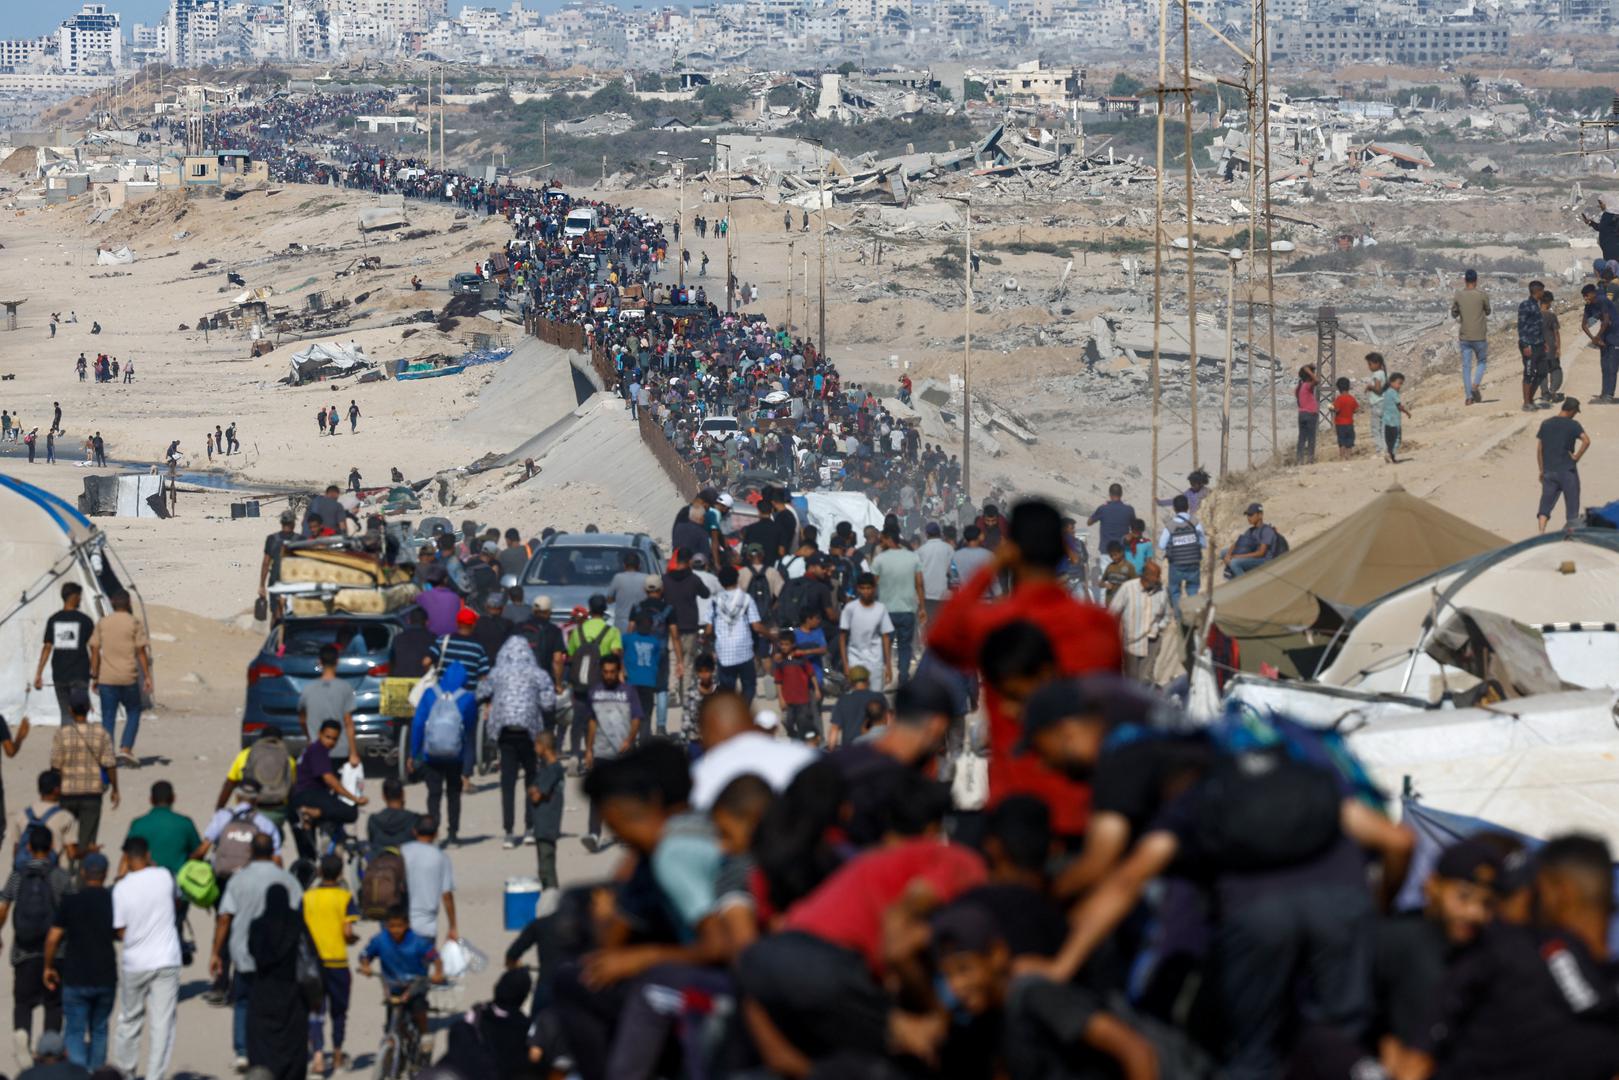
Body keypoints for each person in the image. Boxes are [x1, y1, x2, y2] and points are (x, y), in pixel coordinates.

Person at [212, 833, 303, 1072]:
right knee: (278, 1005)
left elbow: (224, 918)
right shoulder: (287, 880)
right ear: (273, 850)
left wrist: (215, 952)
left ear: (250, 851)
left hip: (244, 952)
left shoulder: (238, 880)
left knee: (242, 1001)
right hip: (280, 957)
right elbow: (299, 916)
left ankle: (242, 1052)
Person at [0, 825, 72, 1066]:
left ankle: (22, 1035)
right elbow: (71, 914)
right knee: (53, 1004)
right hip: (56, 953)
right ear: (52, 848)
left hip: (23, 950)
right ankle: (49, 1054)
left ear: (28, 847)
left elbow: (2, 908)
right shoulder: (60, 876)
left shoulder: (17, 875)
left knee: (23, 1001)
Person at [109, 836, 180, 1080]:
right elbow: (176, 899)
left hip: (135, 962)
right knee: (162, 1024)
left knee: (130, 1019)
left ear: (126, 859)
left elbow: (119, 930)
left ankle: (126, 1072)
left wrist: (121, 875)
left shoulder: (121, 888)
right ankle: (154, 1076)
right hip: (166, 958)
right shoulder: (164, 876)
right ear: (148, 855)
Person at [42, 849, 113, 1072]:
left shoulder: (70, 902)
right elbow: (122, 932)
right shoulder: (112, 899)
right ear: (105, 874)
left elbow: (53, 938)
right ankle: (96, 1073)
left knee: (74, 1030)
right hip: (105, 975)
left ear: (82, 872)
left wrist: (47, 966)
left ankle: (76, 1076)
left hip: (75, 975)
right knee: (99, 1029)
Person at [485, 637, 554, 849]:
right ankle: (530, 829)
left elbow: (481, 692)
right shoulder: (538, 674)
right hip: (529, 732)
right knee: (531, 780)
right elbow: (549, 703)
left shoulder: (497, 673)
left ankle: (508, 832)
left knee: (507, 783)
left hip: (505, 733)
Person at [358, 907, 445, 1059]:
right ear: (386, 926)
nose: (395, 930)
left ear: (407, 925)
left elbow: (435, 957)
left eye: (399, 926)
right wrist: (366, 965)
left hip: (415, 985)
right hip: (393, 986)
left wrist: (438, 973)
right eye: (391, 926)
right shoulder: (380, 940)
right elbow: (366, 954)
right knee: (392, 1019)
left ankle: (424, 1034)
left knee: (418, 1008)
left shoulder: (418, 942)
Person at [408, 661, 477, 845]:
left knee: (434, 794)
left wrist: (413, 753)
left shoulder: (430, 693)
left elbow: (418, 725)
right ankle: (453, 834)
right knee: (454, 794)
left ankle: (433, 833)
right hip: (456, 755)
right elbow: (470, 731)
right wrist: (469, 761)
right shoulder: (468, 697)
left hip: (432, 754)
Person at [580, 655, 643, 850]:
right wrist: (588, 750)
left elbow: (636, 718)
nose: (608, 675)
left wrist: (629, 740)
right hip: (600, 751)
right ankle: (593, 833)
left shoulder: (628, 692)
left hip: (623, 752)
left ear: (618, 672)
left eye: (612, 672)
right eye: (605, 672)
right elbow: (591, 721)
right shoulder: (594, 692)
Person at [303, 853, 358, 1075]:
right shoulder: (345, 897)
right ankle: (336, 1054)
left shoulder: (307, 897)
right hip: (337, 961)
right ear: (341, 873)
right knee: (339, 1011)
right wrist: (351, 939)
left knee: (315, 1010)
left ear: (319, 872)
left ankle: (317, 1055)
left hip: (313, 963)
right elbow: (347, 932)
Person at [246, 883, 307, 1079]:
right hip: (293, 994)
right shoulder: (297, 922)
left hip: (263, 993)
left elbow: (252, 951)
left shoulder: (257, 925)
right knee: (292, 1046)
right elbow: (310, 956)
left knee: (263, 1046)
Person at [48, 689, 117, 852]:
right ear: (89, 708)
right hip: (92, 794)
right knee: (88, 842)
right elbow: (110, 764)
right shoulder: (101, 733)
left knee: (67, 841)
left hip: (67, 793)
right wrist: (116, 789)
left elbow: (55, 767)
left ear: (70, 710)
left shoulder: (62, 734)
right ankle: (83, 875)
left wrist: (53, 791)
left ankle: (67, 872)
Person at [88, 591, 151, 764]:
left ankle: (107, 753)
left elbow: (94, 649)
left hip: (106, 678)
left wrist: (94, 675)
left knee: (108, 716)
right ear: (129, 603)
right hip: (128, 676)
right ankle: (126, 748)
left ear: (112, 602)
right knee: (133, 711)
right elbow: (141, 652)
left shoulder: (103, 623)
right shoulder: (133, 623)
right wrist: (147, 676)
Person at [34, 583, 94, 725]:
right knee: (80, 715)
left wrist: (39, 673)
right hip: (80, 674)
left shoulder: (54, 619)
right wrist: (96, 672)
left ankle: (66, 745)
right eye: (79, 596)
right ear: (74, 597)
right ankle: (79, 744)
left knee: (66, 714)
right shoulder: (85, 620)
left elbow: (47, 647)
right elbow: (94, 648)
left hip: (60, 675)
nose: (80, 599)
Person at [871, 528, 926, 680]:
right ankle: (903, 675)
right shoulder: (912, 557)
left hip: (886, 610)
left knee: (885, 644)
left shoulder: (879, 559)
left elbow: (872, 585)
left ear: (889, 540)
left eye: (882, 540)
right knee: (904, 645)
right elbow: (919, 584)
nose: (880, 544)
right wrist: (922, 608)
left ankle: (885, 672)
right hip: (907, 609)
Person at [296, 644, 359, 769]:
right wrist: (353, 753)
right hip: (340, 750)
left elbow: (302, 719)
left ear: (320, 662)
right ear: (337, 662)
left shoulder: (308, 689)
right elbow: (348, 723)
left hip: (317, 750)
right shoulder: (345, 687)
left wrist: (309, 737)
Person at [711, 566, 766, 703]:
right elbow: (756, 626)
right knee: (749, 686)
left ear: (720, 582)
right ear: (737, 579)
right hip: (744, 651)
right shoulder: (746, 599)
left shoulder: (714, 601)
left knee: (727, 688)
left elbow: (707, 628)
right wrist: (772, 636)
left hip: (724, 653)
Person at [1109, 561, 1169, 684]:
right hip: (1130, 643)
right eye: (1155, 576)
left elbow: (1167, 615)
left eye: (1159, 576)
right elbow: (1112, 612)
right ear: (1146, 576)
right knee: (1131, 681)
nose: (1158, 579)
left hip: (1151, 642)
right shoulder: (1128, 588)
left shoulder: (1162, 591)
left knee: (1145, 680)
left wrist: (1159, 627)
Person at [400, 816, 457, 944]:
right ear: (436, 834)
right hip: (426, 927)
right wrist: (453, 926)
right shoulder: (441, 857)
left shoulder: (402, 851)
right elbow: (446, 895)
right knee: (423, 963)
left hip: (398, 925)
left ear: (414, 831)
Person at [1537, 397, 1589, 533]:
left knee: (1546, 504)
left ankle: (1541, 532)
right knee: (1572, 507)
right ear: (1571, 411)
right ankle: (1570, 535)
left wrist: (1542, 470)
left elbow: (1539, 449)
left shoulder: (1546, 423)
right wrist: (1576, 457)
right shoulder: (1573, 425)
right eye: (1575, 412)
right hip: (1567, 471)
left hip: (1549, 470)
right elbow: (1586, 440)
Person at [839, 573, 894, 692]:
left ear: (874, 589)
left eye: (869, 588)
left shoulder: (881, 608)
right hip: (855, 658)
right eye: (862, 588)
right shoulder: (850, 608)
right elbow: (842, 637)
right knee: (856, 695)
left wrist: (888, 665)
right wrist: (845, 664)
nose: (866, 592)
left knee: (875, 694)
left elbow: (886, 637)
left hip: (875, 660)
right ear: (858, 589)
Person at [527, 734, 564, 890]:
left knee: (546, 869)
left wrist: (532, 791)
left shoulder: (552, 770)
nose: (535, 749)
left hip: (546, 825)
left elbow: (537, 795)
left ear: (544, 746)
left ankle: (552, 901)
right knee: (544, 866)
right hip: (544, 825)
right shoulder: (551, 769)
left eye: (536, 745)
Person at [1453, 267, 1491, 404]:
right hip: (1480, 335)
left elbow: (1454, 313)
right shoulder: (1482, 295)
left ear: (1465, 280)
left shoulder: (1458, 295)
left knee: (1466, 367)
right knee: (1482, 362)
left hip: (1465, 336)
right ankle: (1475, 385)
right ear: (1476, 280)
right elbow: (1488, 311)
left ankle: (1468, 397)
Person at [1581, 281, 1619, 404]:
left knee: (1612, 366)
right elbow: (1584, 325)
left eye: (1587, 296)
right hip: (1604, 337)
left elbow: (1606, 321)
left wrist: (1596, 337)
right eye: (1584, 297)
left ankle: (1609, 395)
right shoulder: (1589, 305)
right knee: (1604, 366)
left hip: (1615, 335)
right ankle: (1604, 393)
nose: (1585, 298)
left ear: (1593, 293)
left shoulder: (1602, 301)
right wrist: (1594, 338)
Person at [365, 778, 420, 855]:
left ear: (383, 796)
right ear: (403, 794)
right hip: (406, 863)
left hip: (380, 863)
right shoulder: (414, 819)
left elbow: (372, 843)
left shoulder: (373, 820)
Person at [1222, 502, 1276, 578]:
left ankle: (1245, 581)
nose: (1248, 517)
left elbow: (1261, 553)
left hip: (1264, 560)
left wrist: (1237, 556)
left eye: (1251, 515)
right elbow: (1237, 544)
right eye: (1247, 515)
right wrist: (1228, 555)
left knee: (1234, 562)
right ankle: (1234, 576)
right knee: (1223, 552)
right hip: (1253, 556)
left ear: (1260, 515)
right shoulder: (1251, 530)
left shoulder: (1266, 530)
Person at [1519, 279, 1548, 413]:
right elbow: (1521, 326)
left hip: (1539, 344)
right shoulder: (1525, 305)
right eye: (1542, 290)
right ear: (1537, 291)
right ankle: (1526, 403)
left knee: (1542, 371)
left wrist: (1545, 343)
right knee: (1529, 373)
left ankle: (1530, 399)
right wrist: (1525, 345)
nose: (1543, 293)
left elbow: (1539, 326)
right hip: (1529, 344)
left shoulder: (1536, 305)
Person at [1085, 483, 1135, 558]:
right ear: (1121, 494)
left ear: (1110, 494)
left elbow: (1089, 522)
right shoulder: (1129, 509)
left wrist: (1102, 507)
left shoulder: (1103, 508)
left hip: (1106, 551)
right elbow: (1134, 528)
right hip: (1122, 552)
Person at [1382, 372, 1411, 464]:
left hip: (1386, 421)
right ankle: (1391, 454)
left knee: (1389, 440)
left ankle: (1390, 456)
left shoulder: (1386, 392)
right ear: (1392, 382)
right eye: (1399, 383)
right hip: (1394, 421)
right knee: (1397, 439)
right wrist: (1407, 412)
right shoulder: (1393, 392)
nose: (1400, 386)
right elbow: (1399, 406)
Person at [1332, 376, 1359, 459]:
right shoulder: (1352, 398)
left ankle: (1342, 456)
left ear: (1338, 388)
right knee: (1349, 441)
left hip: (1340, 424)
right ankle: (1349, 456)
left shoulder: (1339, 399)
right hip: (1349, 423)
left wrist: (1331, 408)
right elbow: (1356, 409)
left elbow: (1336, 409)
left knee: (1341, 441)